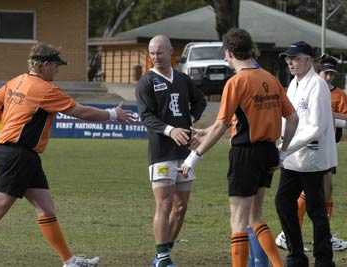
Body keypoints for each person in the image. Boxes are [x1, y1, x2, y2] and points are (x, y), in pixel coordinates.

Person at [0, 42, 134, 267]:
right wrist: (112, 114)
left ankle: (69, 261)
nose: (57, 70)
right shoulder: (44, 89)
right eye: (55, 66)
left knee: (45, 208)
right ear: (44, 65)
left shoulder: (17, 81)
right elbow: (79, 111)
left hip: (23, 154)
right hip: (18, 155)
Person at [181, 28, 298, 267]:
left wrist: (194, 156)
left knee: (238, 218)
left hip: (246, 153)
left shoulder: (237, 82)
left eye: (225, 54)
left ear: (230, 52)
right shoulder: (270, 78)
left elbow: (223, 125)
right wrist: (283, 150)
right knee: (255, 216)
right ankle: (278, 265)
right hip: (268, 153)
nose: (224, 58)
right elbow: (293, 118)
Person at [135, 35, 206, 267]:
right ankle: (163, 258)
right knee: (165, 203)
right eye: (152, 53)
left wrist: (189, 123)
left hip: (185, 152)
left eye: (160, 52)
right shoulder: (146, 82)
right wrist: (170, 130)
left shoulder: (183, 79)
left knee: (181, 207)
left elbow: (200, 102)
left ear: (171, 52)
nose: (155, 57)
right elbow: (146, 117)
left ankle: (163, 252)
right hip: (162, 152)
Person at [275, 54, 347, 252]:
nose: (329, 77)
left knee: (322, 194)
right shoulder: (304, 85)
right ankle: (293, 238)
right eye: (326, 73)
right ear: (317, 68)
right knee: (309, 199)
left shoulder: (336, 93)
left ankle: (318, 244)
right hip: (304, 152)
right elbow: (301, 120)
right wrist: (284, 145)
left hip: (320, 150)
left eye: (333, 74)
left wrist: (330, 117)